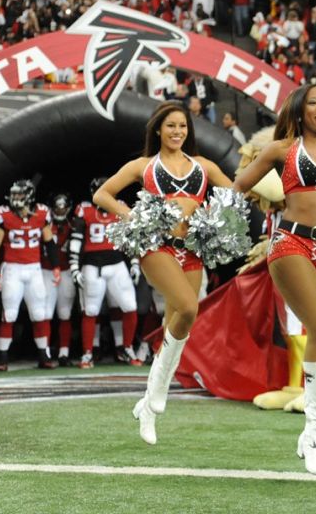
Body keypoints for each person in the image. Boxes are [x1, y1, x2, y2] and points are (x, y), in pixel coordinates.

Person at [94, 102, 234, 445]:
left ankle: (150, 404)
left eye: (182, 127)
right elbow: (103, 194)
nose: (177, 132)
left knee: (181, 323)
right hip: (157, 246)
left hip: (193, 249)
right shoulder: (143, 166)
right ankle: (156, 394)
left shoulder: (203, 166)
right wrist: (131, 216)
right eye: (170, 126)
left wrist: (211, 212)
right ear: (158, 129)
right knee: (187, 307)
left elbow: (234, 194)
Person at [233, 85, 316, 475]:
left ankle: (309, 436)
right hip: (292, 242)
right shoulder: (281, 149)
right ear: (300, 112)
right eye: (315, 102)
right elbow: (239, 185)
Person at [0, 179, 60, 371]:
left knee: (40, 313)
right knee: (9, 314)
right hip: (12, 269)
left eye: (19, 194)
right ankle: (2, 357)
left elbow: (49, 242)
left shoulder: (41, 213)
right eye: (14, 194)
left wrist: (55, 266)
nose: (15, 198)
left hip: (34, 269)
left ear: (28, 196)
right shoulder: (3, 214)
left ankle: (43, 356)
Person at [70, 178, 142, 369]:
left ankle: (127, 348)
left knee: (130, 306)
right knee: (91, 310)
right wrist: (74, 267)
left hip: (117, 264)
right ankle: (87, 353)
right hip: (93, 266)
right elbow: (76, 240)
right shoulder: (84, 210)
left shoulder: (119, 207)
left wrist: (134, 263)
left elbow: (130, 238)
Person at [46, 193, 78, 367]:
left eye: (63, 206)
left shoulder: (73, 225)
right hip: (46, 271)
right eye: (57, 206)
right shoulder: (44, 223)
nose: (60, 210)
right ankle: (45, 351)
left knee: (65, 314)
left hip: (65, 271)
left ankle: (64, 352)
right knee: (45, 313)